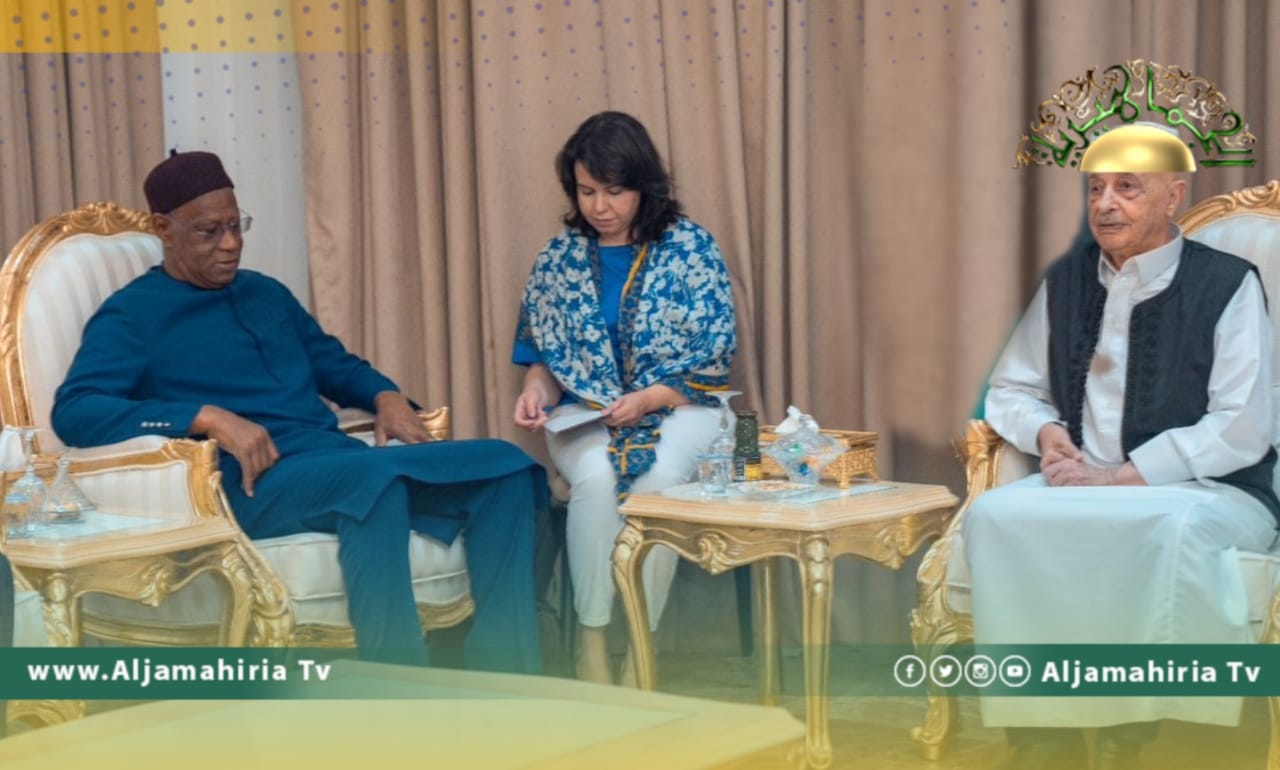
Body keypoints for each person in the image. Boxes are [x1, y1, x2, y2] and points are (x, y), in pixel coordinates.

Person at [52, 150, 544, 673]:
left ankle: (509, 674)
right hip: (252, 482)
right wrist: (204, 416)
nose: (230, 244)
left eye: (236, 226)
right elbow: (77, 410)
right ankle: (399, 687)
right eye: (209, 232)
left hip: (332, 459)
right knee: (372, 484)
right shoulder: (132, 313)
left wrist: (385, 395)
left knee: (506, 466)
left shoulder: (266, 293)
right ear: (163, 230)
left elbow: (334, 364)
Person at [967, 122, 1279, 770]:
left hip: (1208, 489)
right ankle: (1041, 734)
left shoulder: (1229, 283)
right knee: (996, 514)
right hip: (1083, 479)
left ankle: (1131, 731)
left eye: (1127, 188)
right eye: (1096, 189)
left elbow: (1241, 425)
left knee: (1169, 531)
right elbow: (1014, 388)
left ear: (1173, 195)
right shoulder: (1067, 279)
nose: (1106, 204)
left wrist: (1122, 479)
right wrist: (1048, 433)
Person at [512, 112, 737, 683]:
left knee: (653, 481)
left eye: (614, 191)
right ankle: (591, 643)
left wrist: (647, 399)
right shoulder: (558, 259)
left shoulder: (690, 249)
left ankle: (641, 645)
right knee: (597, 478)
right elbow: (545, 360)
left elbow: (714, 354)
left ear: (643, 184)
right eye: (586, 191)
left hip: (683, 407)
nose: (599, 207)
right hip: (586, 414)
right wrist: (535, 393)